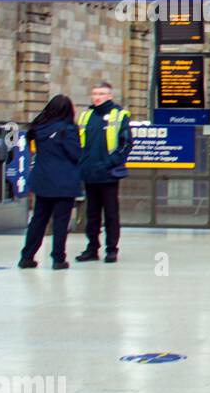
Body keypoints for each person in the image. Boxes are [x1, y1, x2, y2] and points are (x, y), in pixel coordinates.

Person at [18, 96, 83, 270]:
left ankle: (27, 256)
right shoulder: (67, 129)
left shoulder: (39, 128)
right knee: (60, 221)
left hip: (42, 180)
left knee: (38, 219)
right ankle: (58, 258)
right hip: (64, 181)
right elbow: (76, 154)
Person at [75, 82, 132, 264]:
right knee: (91, 214)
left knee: (111, 213)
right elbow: (79, 142)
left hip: (108, 174)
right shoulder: (86, 117)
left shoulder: (119, 115)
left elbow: (126, 143)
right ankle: (92, 248)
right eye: (94, 93)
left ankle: (111, 249)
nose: (97, 96)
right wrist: (82, 163)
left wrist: (111, 162)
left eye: (101, 93)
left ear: (110, 96)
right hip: (90, 172)